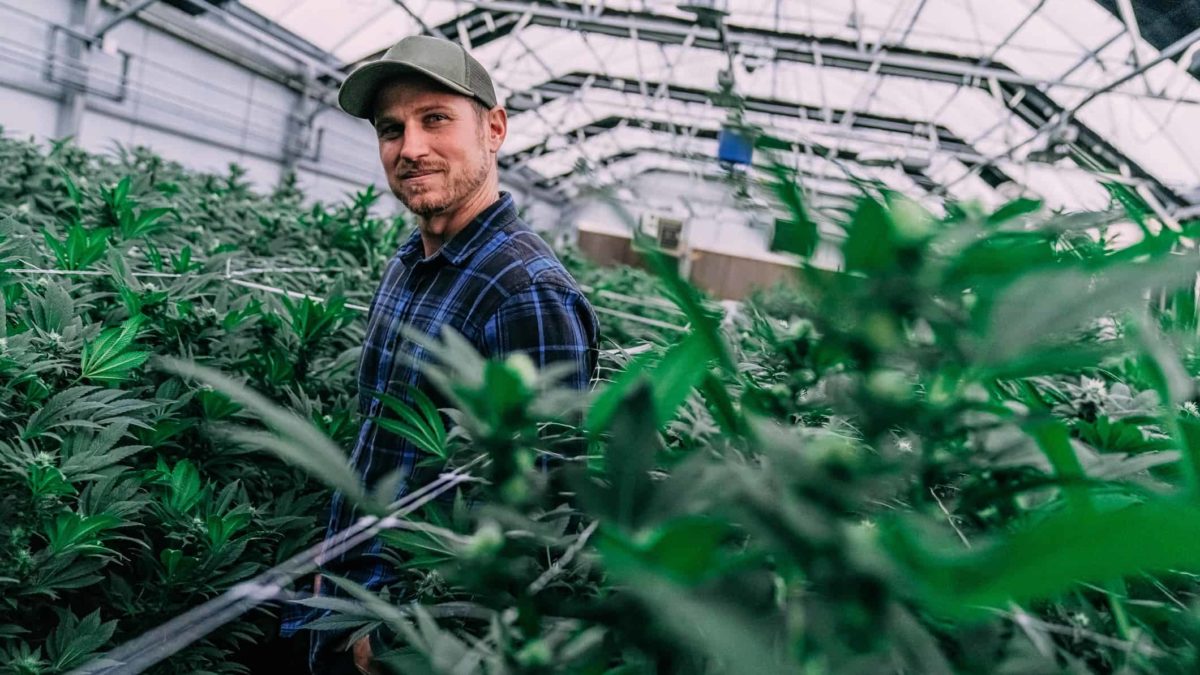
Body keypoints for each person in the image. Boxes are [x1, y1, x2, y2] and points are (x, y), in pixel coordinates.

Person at [279, 35, 599, 674]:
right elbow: (382, 440)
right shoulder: (410, 264)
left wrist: (396, 639)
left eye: (436, 119)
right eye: (391, 129)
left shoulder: (525, 292)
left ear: (495, 128)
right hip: (347, 594)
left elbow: (536, 510)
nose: (411, 148)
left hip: (416, 636)